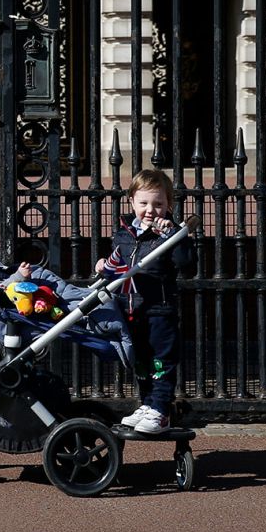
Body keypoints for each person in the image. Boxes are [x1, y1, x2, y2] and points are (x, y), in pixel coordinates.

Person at [95, 168, 188, 434]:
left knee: (162, 361)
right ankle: (147, 403)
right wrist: (104, 265)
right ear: (132, 201)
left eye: (158, 204)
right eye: (144, 203)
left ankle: (161, 409)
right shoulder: (124, 233)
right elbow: (118, 261)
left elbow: (185, 262)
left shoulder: (170, 234)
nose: (150, 210)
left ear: (168, 204)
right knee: (142, 361)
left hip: (159, 309)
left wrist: (173, 237)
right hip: (130, 307)